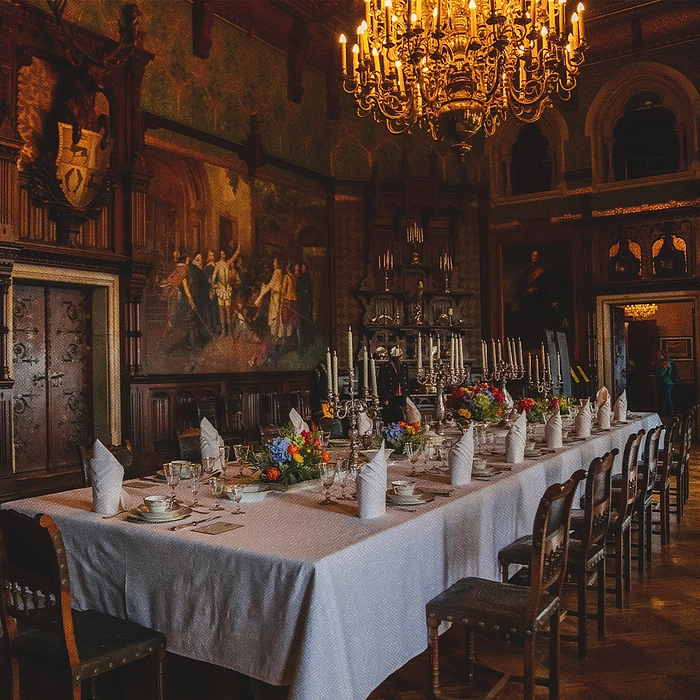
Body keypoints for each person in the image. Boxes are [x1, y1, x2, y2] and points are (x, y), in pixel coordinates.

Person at [378, 346, 410, 424]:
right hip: (391, 395)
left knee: (402, 417)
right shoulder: (385, 366)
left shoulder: (403, 366)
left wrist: (408, 396)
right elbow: (382, 383)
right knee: (391, 416)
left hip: (402, 395)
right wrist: (384, 398)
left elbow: (406, 382)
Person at [653, 350, 675, 418]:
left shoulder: (665, 363)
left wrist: (656, 368)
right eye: (657, 354)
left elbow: (661, 373)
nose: (658, 356)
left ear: (663, 355)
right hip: (663, 383)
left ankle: (669, 414)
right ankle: (663, 414)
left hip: (667, 383)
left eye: (660, 354)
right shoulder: (659, 363)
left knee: (667, 399)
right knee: (662, 399)